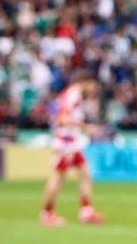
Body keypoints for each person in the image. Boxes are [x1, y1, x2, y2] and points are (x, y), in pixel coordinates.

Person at [40, 72, 105, 226]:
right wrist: (85, 127)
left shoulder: (74, 95)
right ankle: (47, 213)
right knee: (58, 178)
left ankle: (86, 211)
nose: (94, 89)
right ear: (86, 82)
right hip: (65, 143)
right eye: (93, 85)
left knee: (86, 173)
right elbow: (62, 118)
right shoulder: (72, 95)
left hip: (72, 143)